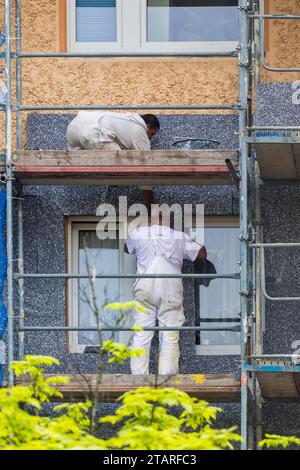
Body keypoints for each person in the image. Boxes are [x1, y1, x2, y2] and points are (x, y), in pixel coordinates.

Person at [124, 215, 207, 375]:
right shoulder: (179, 236)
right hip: (170, 289)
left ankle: (138, 379)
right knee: (169, 335)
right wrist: (197, 243)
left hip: (145, 288)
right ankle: (167, 380)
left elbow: (126, 248)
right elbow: (202, 254)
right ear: (170, 221)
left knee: (141, 334)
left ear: (151, 220)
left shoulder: (139, 233)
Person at [66, 111, 160, 151]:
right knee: (120, 160)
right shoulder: (140, 129)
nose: (150, 138)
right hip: (94, 133)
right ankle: (115, 181)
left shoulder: (126, 120)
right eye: (152, 134)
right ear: (147, 126)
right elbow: (144, 160)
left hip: (74, 127)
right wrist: (148, 190)